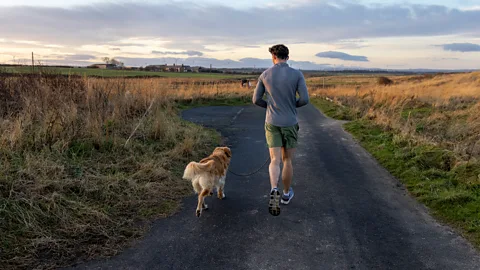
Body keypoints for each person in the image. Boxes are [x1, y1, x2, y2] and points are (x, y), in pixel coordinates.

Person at [252, 44, 309, 216]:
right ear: (288, 57)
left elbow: (256, 99)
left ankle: (273, 189)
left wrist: (269, 106)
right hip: (290, 122)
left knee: (275, 160)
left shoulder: (265, 75)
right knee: (287, 160)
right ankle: (285, 194)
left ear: (273, 57)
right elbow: (305, 99)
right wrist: (292, 105)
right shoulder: (297, 74)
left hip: (272, 122)